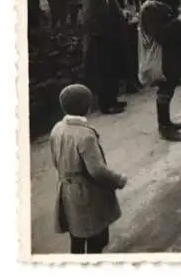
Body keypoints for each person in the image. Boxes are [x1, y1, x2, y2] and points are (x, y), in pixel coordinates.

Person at [50, 84, 128, 254]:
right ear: (86, 107)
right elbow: (97, 170)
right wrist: (118, 180)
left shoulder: (57, 129)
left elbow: (55, 160)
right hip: (87, 194)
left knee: (76, 236)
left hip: (66, 190)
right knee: (96, 238)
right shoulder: (86, 135)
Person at [139, 0, 181, 142]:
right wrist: (180, 20)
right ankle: (164, 128)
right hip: (162, 58)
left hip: (170, 55)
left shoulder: (160, 4)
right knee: (165, 89)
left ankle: (167, 122)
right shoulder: (150, 8)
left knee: (169, 89)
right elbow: (161, 34)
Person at [82, 0, 131, 114]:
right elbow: (90, 20)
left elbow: (115, 15)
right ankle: (106, 104)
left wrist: (123, 17)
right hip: (99, 43)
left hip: (110, 41)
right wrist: (104, 36)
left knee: (112, 71)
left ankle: (113, 100)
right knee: (103, 73)